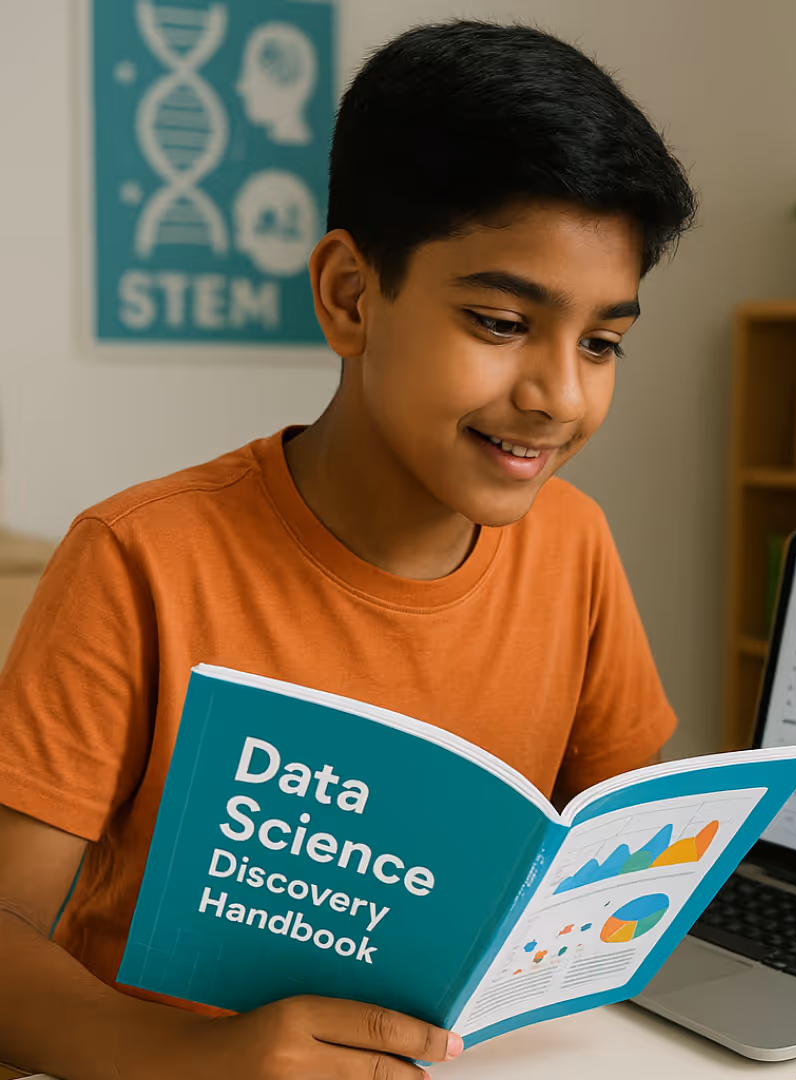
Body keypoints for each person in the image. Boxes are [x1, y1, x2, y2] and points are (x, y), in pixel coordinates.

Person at [0, 19, 696, 1080]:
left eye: (603, 342)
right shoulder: (136, 560)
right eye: (503, 322)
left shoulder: (576, 545)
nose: (560, 395)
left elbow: (612, 878)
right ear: (350, 296)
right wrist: (202, 1058)